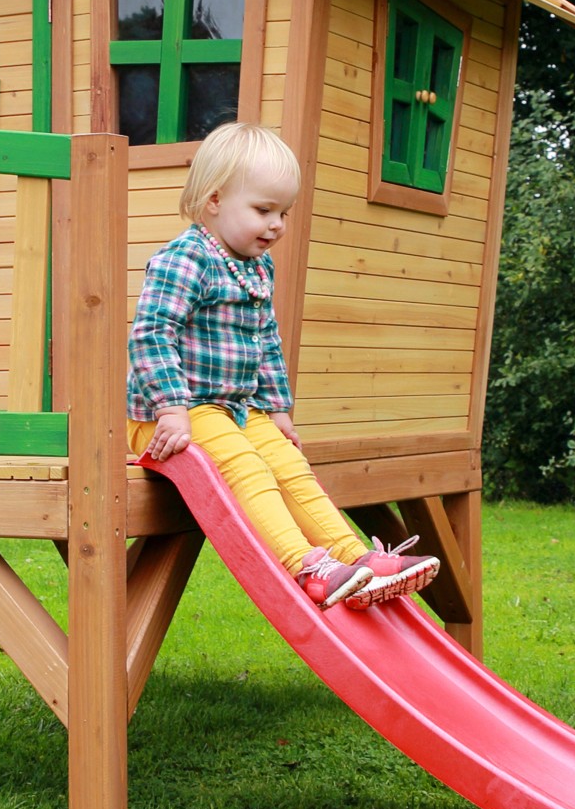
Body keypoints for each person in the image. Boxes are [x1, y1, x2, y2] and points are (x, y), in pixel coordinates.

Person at [128, 121, 438, 610]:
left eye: (284, 213)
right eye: (263, 210)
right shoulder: (184, 261)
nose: (277, 224)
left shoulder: (257, 267)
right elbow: (151, 334)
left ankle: (355, 558)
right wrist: (171, 408)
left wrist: (277, 410)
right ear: (214, 200)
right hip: (172, 417)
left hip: (236, 408)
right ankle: (307, 567)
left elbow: (266, 341)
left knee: (291, 466)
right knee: (247, 468)